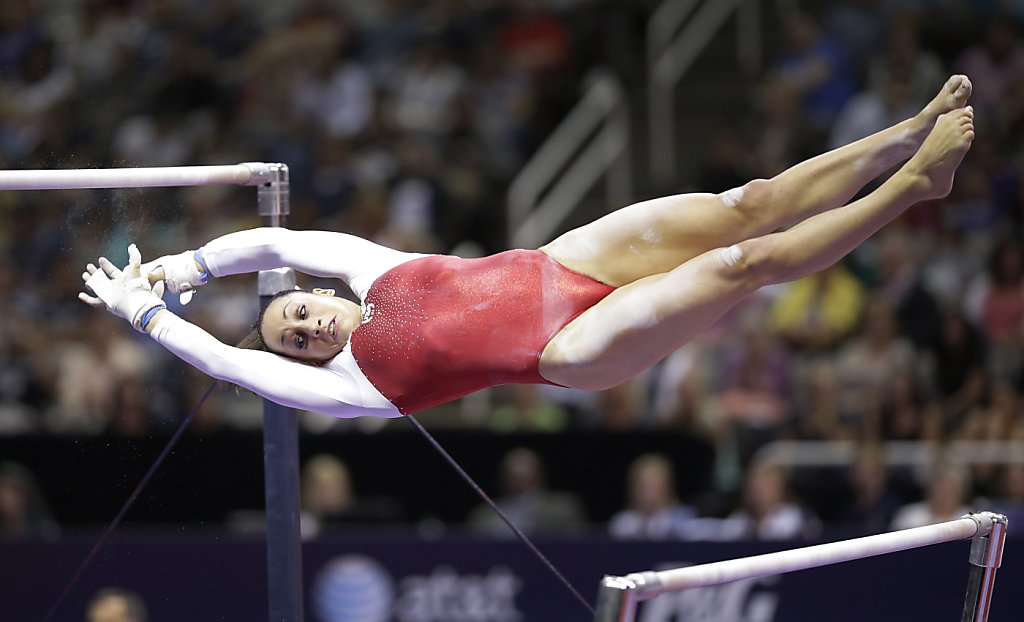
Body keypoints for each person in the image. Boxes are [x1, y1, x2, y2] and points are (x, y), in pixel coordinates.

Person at [79, 76, 976, 420]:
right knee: (741, 267)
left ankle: (901, 135)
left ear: (320, 293)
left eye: (299, 311)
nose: (305, 328)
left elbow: (274, 237)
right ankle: (912, 189)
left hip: (563, 260)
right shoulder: (351, 387)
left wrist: (188, 264)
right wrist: (144, 311)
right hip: (565, 352)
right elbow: (227, 366)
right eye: (292, 338)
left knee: (748, 205)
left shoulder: (371, 267)